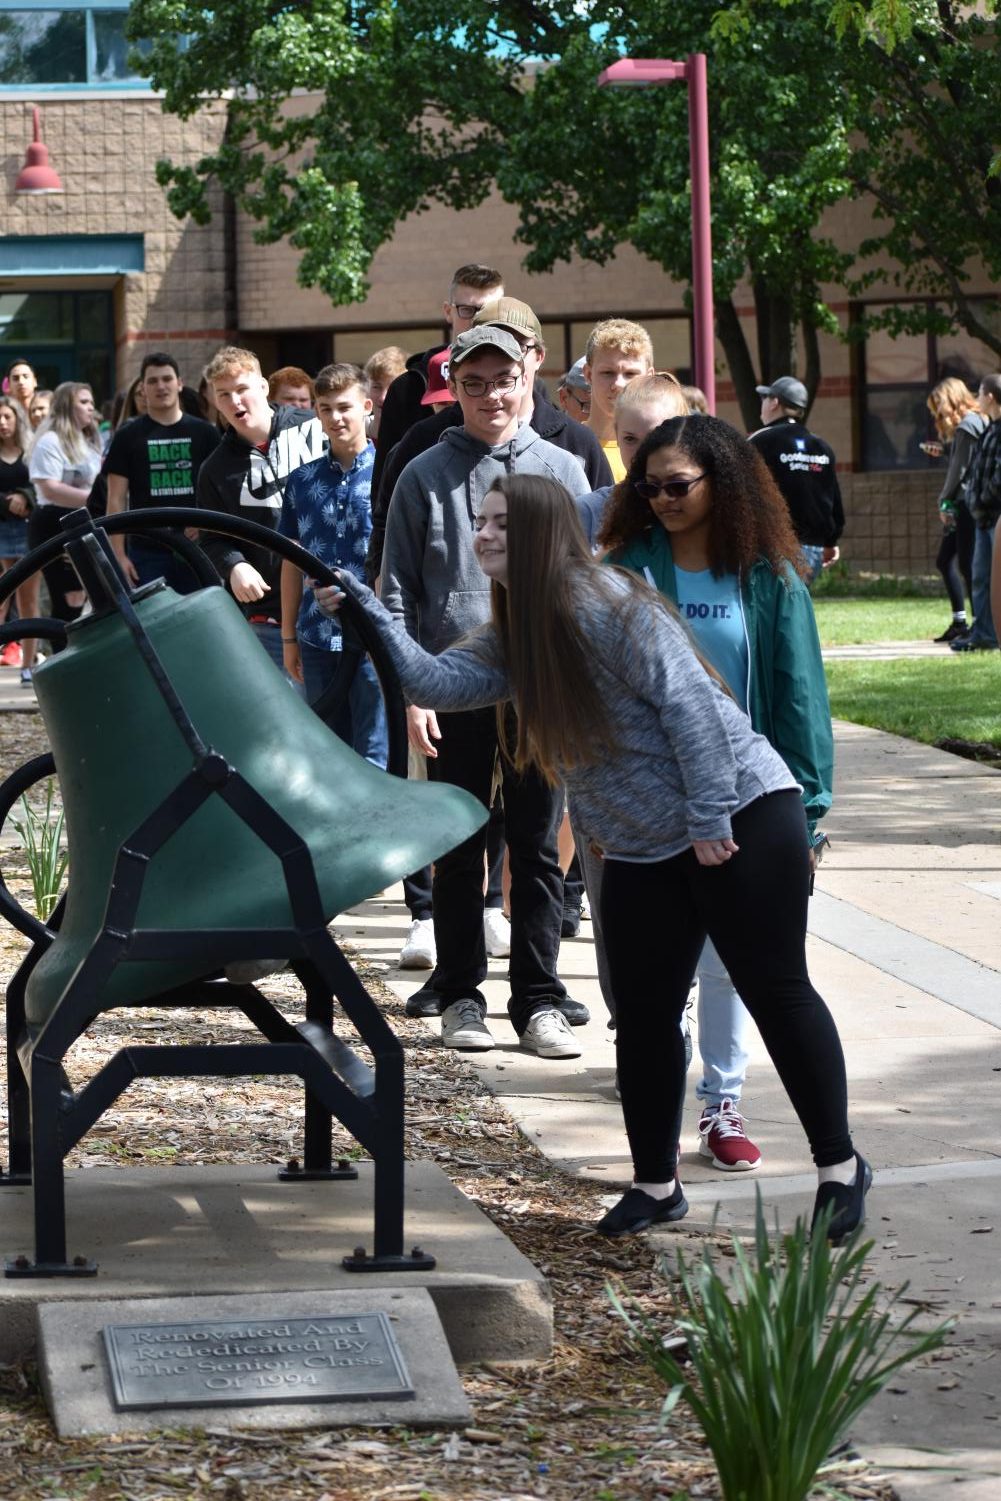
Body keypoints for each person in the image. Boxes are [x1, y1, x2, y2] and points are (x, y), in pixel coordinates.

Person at [316, 473, 870, 1244]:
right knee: (643, 1016)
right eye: (481, 522)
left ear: (544, 529)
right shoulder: (520, 629)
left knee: (774, 990)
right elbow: (435, 681)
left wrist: (709, 815)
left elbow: (688, 703)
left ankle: (840, 1169)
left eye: (501, 523)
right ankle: (655, 1184)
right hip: (646, 843)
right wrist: (368, 610)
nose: (483, 535)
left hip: (738, 815)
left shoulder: (606, 603)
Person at [600, 414, 835, 1171]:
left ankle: (722, 1100)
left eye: (678, 485)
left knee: (740, 968)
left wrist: (810, 818)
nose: (662, 498)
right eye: (650, 485)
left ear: (721, 482)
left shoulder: (766, 576)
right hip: (647, 808)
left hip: (742, 805)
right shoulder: (626, 568)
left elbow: (798, 700)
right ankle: (652, 1165)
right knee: (644, 996)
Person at [380, 324, 593, 1058]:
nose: (489, 395)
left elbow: (585, 581)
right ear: (454, 387)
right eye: (472, 383)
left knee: (536, 846)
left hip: (537, 687)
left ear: (528, 374)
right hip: (452, 682)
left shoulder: (562, 470)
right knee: (459, 847)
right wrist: (412, 691)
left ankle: (537, 999)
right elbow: (397, 588)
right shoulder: (423, 472)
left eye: (501, 379)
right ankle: (461, 991)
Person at [278, 363, 387, 764]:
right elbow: (291, 562)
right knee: (328, 753)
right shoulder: (302, 480)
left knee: (375, 751)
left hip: (374, 637)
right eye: (325, 408)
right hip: (315, 636)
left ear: (366, 407)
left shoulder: (389, 473)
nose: (336, 418)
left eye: (345, 407)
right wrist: (289, 636)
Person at [367, 264, 504, 577]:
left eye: (490, 311)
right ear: (448, 311)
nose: (479, 320)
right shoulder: (409, 388)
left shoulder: (523, 390)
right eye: (468, 310)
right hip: (430, 556)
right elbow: (384, 495)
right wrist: (379, 573)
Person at [195, 346, 324, 673]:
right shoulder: (215, 468)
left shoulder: (313, 427)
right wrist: (234, 566)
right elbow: (212, 538)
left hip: (331, 600)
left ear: (264, 388)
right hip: (268, 617)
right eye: (223, 394)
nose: (234, 401)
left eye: (242, 389)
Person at [104, 351, 221, 593]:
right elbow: (115, 499)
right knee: (154, 626)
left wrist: (207, 524)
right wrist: (118, 555)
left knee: (200, 622)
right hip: (146, 551)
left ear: (179, 383)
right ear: (143, 389)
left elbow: (220, 489)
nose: (161, 386)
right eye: (153, 381)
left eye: (167, 379)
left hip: (198, 547)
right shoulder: (127, 436)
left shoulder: (206, 433)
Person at [748, 377, 844, 584]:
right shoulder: (822, 446)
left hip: (773, 545)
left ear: (774, 403)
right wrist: (830, 541)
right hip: (813, 550)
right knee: (795, 607)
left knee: (770, 610)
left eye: (765, 397)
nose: (762, 404)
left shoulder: (760, 441)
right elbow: (833, 499)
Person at [27, 382, 103, 631]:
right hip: (54, 523)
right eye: (83, 402)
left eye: (91, 402)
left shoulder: (89, 440)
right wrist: (95, 500)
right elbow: (50, 488)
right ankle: (60, 655)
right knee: (67, 597)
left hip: (83, 520)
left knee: (83, 596)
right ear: (66, 406)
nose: (90, 407)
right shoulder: (50, 441)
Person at [926, 378, 985, 643]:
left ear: (952, 399)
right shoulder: (977, 422)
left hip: (967, 503)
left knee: (968, 565)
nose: (938, 412)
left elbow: (960, 470)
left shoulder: (968, 425)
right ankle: (963, 622)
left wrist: (943, 500)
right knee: (949, 560)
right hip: (969, 501)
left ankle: (980, 625)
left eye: (939, 405)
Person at [952, 373, 1001, 652]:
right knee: (980, 576)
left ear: (991, 397)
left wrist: (981, 498)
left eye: (980, 393)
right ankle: (983, 633)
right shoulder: (989, 429)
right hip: (983, 518)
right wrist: (973, 498)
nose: (976, 399)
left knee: (994, 578)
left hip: (994, 516)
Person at [583, 319, 655, 482]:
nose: (618, 384)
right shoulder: (569, 446)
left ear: (649, 378)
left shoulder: (661, 450)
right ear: (588, 374)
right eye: (608, 373)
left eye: (630, 374)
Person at [0, 395, 40, 684]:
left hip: (28, 530)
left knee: (28, 599)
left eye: (7, 417)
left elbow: (40, 485)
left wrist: (24, 497)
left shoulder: (30, 451)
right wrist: (7, 501)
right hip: (1, 529)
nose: (2, 423)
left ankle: (28, 665)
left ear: (17, 419)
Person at [364, 346, 409, 442]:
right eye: (376, 387)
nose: (383, 397)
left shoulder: (415, 439)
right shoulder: (353, 435)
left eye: (393, 388)